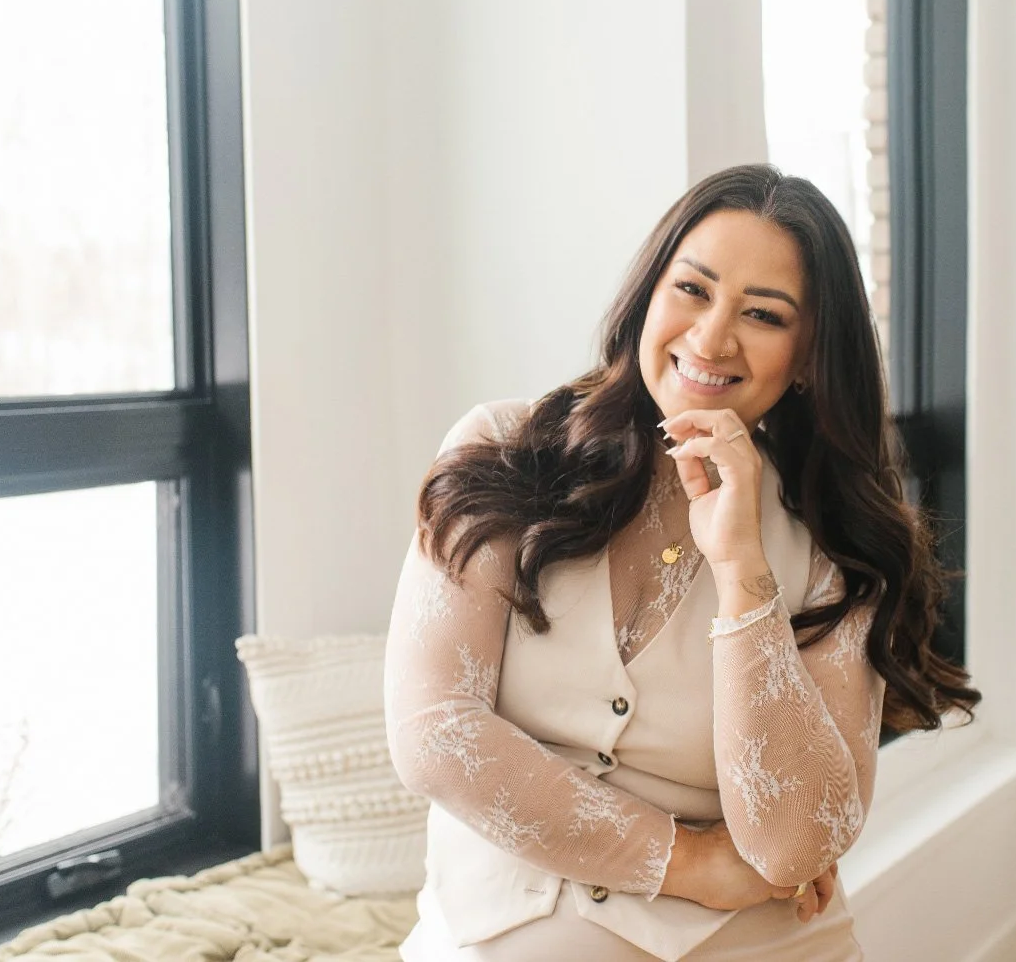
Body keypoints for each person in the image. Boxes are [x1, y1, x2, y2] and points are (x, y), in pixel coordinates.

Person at [385, 163, 980, 960]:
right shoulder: (503, 452)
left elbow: (798, 845)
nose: (711, 338)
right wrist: (689, 861)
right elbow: (433, 736)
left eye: (763, 314)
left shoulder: (839, 542)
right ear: (648, 295)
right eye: (693, 290)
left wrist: (743, 572)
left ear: (808, 355)